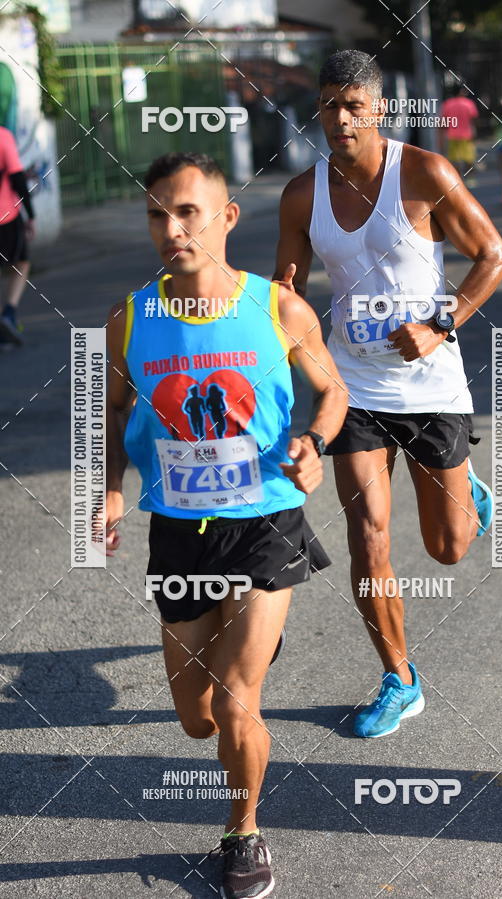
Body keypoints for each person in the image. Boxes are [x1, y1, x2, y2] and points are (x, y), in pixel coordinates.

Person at [104, 152, 347, 899]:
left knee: (241, 699)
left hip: (266, 521)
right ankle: (248, 640)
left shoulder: (277, 308)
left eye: (187, 211)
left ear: (226, 217)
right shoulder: (129, 318)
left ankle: (243, 831)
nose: (172, 227)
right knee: (196, 718)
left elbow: (331, 392)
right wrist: (110, 490)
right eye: (157, 214)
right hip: (179, 531)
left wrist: (317, 444)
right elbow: (111, 411)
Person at [274, 50, 502, 739]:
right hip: (356, 387)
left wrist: (441, 324)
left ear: (379, 108)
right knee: (367, 537)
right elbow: (286, 292)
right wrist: (284, 312)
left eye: (353, 105)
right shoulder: (301, 194)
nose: (340, 118)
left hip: (431, 384)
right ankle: (400, 678)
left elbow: (493, 255)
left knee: (448, 548)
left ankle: (469, 496)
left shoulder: (424, 173)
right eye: (328, 105)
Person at [0, 126, 35, 346]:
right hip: (6, 217)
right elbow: (17, 178)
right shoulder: (3, 136)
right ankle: (9, 314)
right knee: (21, 263)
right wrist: (31, 215)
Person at [440, 84, 479, 181]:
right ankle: (470, 180)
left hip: (452, 135)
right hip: (467, 135)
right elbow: (473, 120)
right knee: (469, 158)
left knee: (454, 160)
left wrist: (442, 136)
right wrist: (474, 132)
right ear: (461, 92)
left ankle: (457, 180)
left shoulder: (447, 104)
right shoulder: (469, 104)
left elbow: (443, 122)